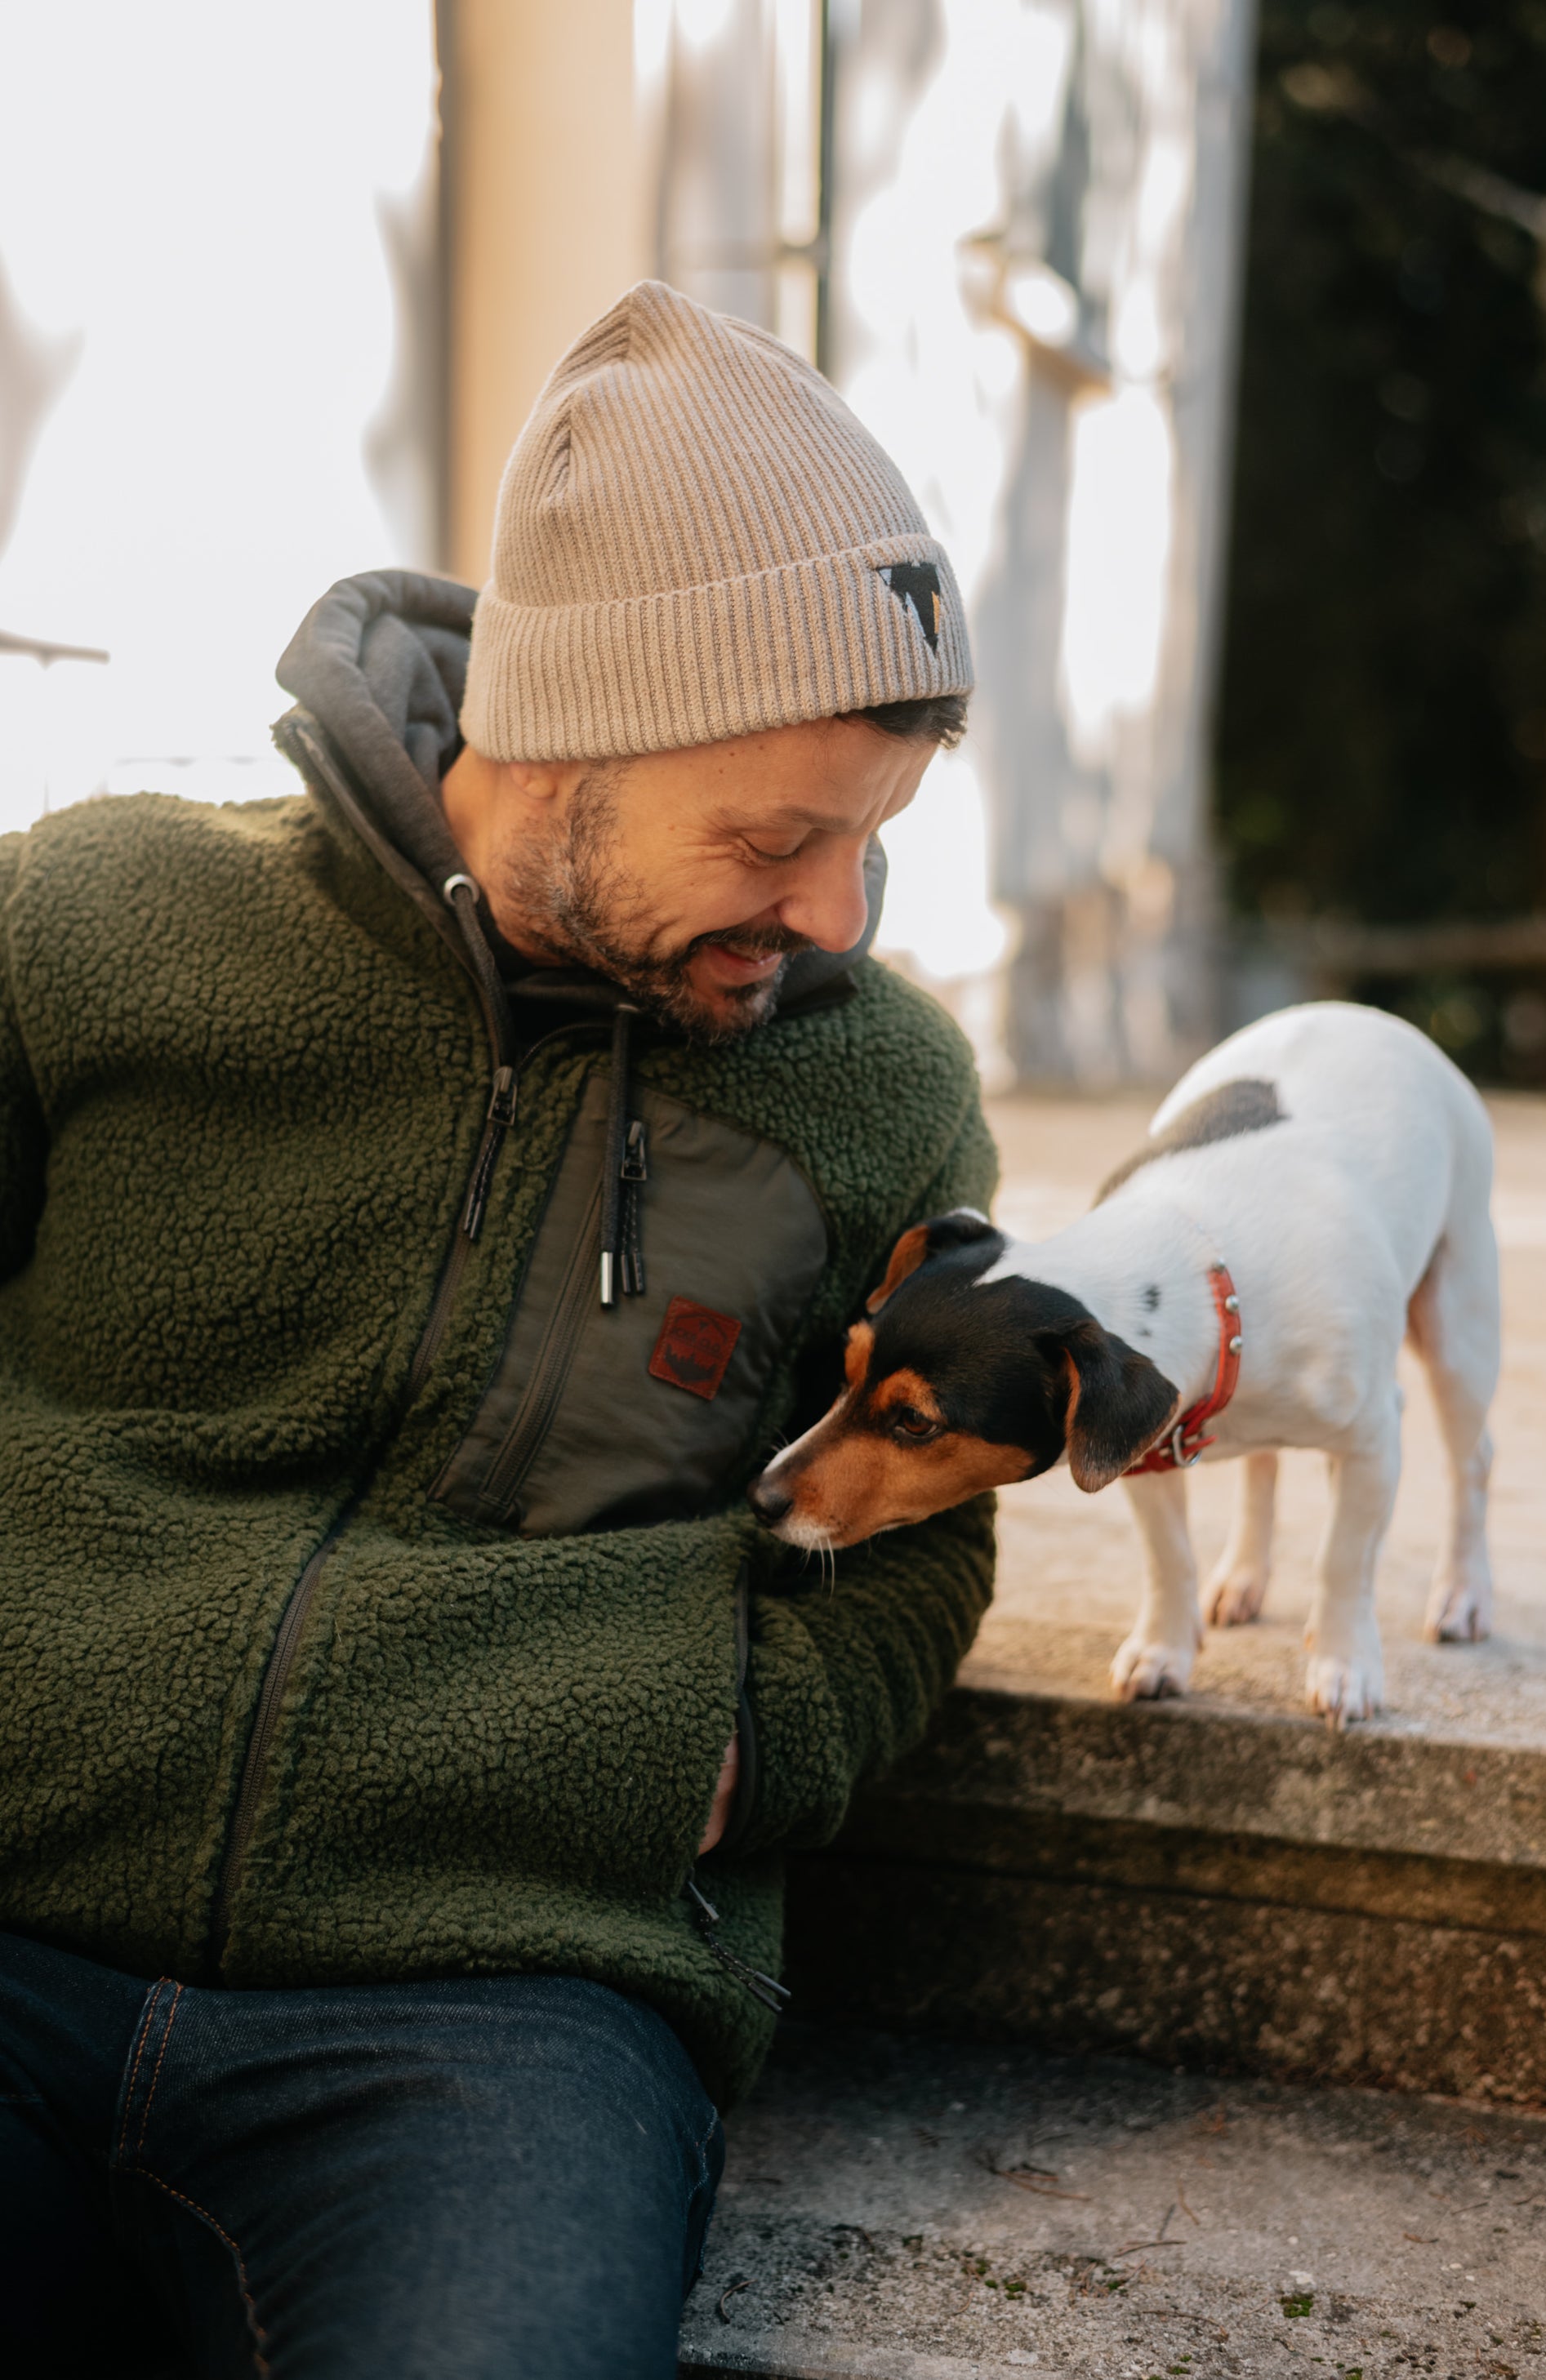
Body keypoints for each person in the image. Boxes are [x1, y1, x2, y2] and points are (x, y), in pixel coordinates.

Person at [0, 281, 997, 2378]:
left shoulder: (875, 1089)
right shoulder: (89, 931)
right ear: (556, 742)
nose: (831, 914)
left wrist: (737, 1746)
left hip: (498, 2010)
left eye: (869, 842)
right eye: (773, 834)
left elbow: (927, 1521)